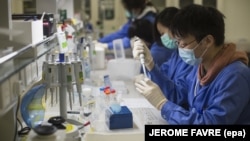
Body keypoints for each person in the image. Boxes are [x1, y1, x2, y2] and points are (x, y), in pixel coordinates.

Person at [133, 4, 250, 124]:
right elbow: (178, 95)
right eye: (177, 43)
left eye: (183, 44)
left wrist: (163, 105)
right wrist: (150, 64)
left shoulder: (235, 76)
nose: (179, 49)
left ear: (207, 41)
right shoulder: (199, 68)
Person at [133, 7, 193, 98]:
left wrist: (162, 105)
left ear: (174, 28)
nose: (162, 38)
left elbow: (178, 95)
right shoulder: (176, 54)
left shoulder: (190, 57)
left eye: (162, 33)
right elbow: (163, 73)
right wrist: (149, 71)